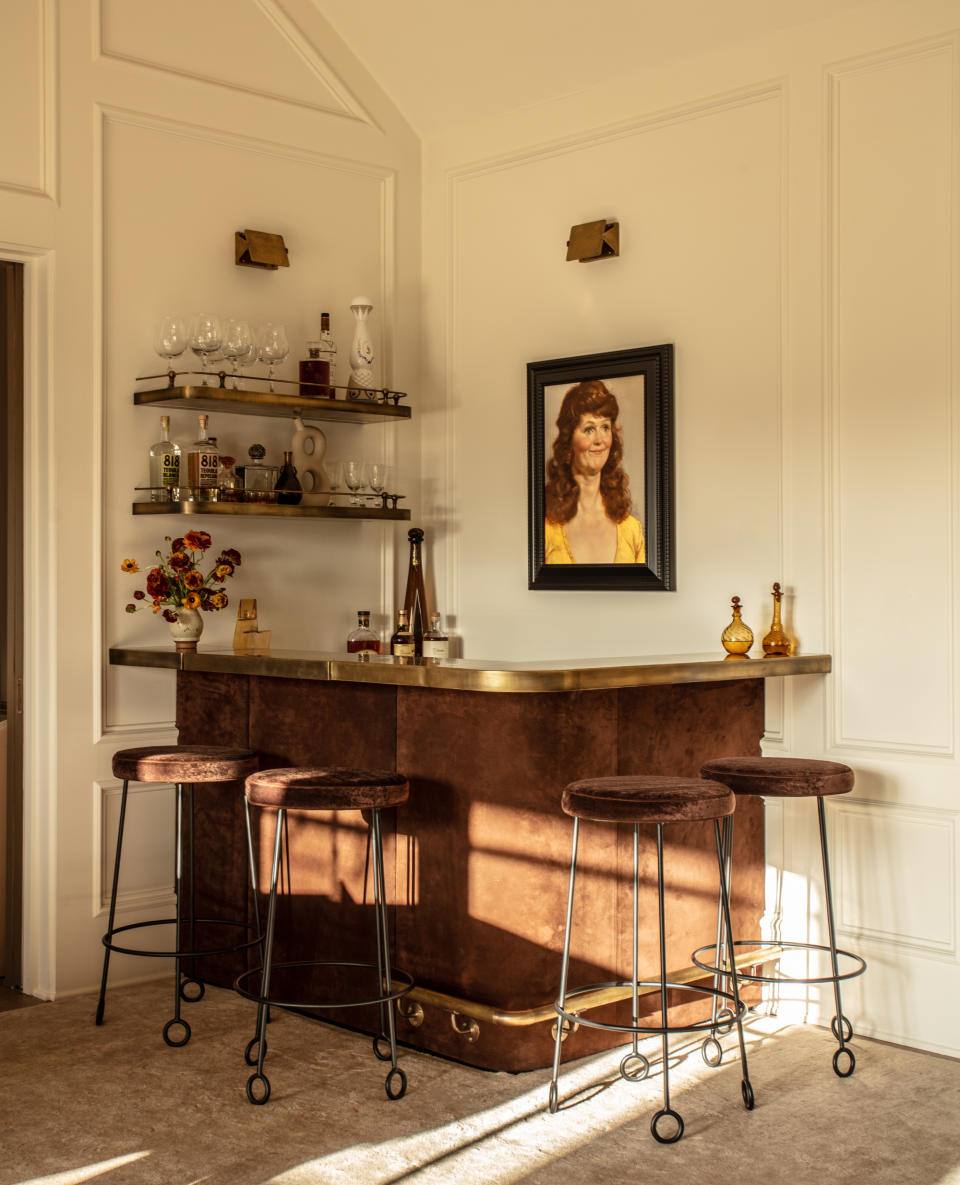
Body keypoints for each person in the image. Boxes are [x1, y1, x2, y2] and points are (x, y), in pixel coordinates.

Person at [544, 379, 645, 564]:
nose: (599, 440)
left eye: (605, 427)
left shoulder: (631, 530)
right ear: (569, 440)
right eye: (589, 429)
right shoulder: (544, 525)